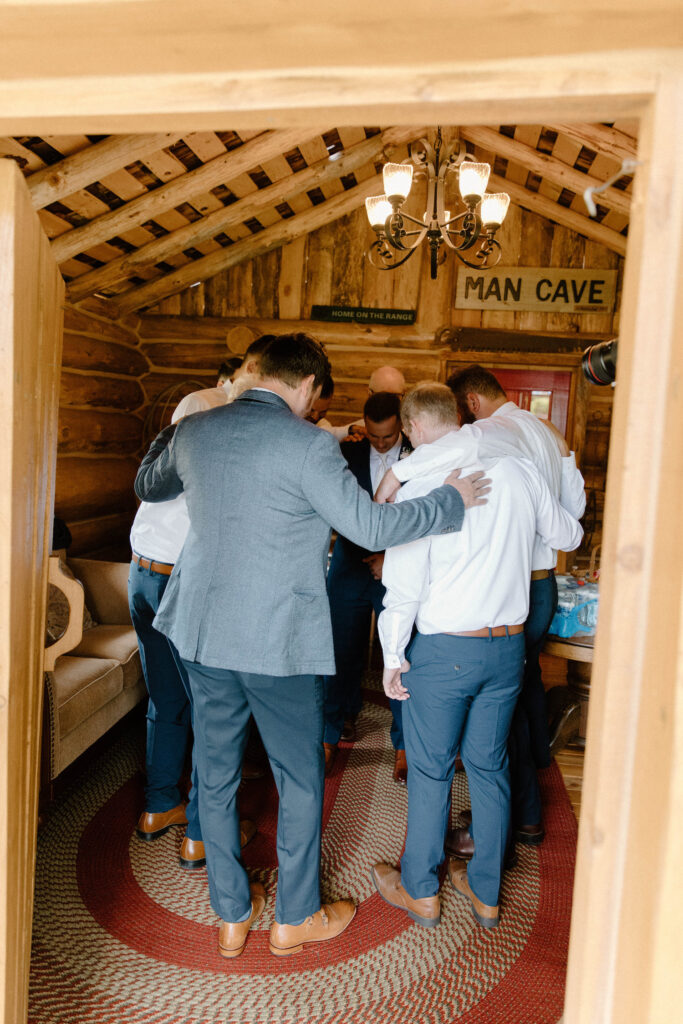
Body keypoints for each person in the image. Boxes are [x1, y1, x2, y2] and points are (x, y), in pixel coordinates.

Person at [134, 332, 490, 959]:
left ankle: (231, 914)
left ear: (256, 373)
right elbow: (371, 526)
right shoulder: (309, 445)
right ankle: (296, 917)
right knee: (297, 778)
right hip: (277, 643)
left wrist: (177, 428)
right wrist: (447, 501)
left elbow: (150, 486)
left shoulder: (195, 431)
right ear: (305, 387)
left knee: (213, 777)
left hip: (202, 634)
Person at [371, 383, 582, 930]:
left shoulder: (424, 483)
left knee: (431, 769)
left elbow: (403, 587)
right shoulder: (519, 470)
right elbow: (569, 532)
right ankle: (486, 892)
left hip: (444, 651)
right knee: (490, 767)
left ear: (415, 429)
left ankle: (420, 889)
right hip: (507, 648)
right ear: (460, 417)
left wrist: (393, 654)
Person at [129, 390, 257, 869]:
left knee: (165, 696)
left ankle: (159, 806)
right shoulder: (214, 460)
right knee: (213, 709)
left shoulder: (164, 456)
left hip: (140, 575)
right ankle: (202, 834)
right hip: (182, 585)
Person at [322, 391, 412, 784]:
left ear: (401, 427)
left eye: (388, 437)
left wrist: (390, 558)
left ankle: (405, 745)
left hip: (401, 567)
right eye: (374, 436)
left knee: (403, 656)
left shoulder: (419, 454)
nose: (380, 444)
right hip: (349, 566)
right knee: (337, 653)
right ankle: (327, 737)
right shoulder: (349, 453)